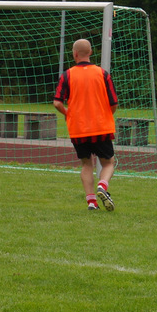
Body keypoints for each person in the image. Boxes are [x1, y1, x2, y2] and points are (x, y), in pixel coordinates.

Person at [53, 39, 119, 211]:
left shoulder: (67, 75)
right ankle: (102, 186)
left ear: (74, 54)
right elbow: (114, 103)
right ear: (90, 53)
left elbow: (57, 103)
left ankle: (91, 202)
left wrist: (70, 115)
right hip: (100, 127)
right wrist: (103, 116)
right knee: (108, 162)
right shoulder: (103, 74)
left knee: (86, 163)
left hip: (78, 129)